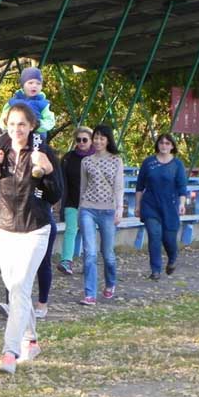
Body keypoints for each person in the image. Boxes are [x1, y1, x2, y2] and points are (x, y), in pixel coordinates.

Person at [0, 102, 62, 374]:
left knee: (20, 288)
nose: (17, 129)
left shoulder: (42, 150)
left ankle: (9, 351)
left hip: (35, 227)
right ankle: (31, 339)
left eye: (22, 124)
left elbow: (55, 195)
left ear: (31, 126)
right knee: (16, 287)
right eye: (13, 124)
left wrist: (49, 171)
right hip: (3, 227)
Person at [0, 66, 56, 318]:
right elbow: (1, 120)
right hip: (10, 216)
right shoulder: (5, 146)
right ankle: (13, 302)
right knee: (12, 266)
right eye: (30, 83)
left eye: (38, 84)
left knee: (37, 261)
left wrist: (41, 125)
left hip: (36, 212)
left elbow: (50, 121)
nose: (34, 87)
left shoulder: (43, 108)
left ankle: (40, 303)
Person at [78, 124, 124, 306]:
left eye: (101, 138)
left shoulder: (116, 160)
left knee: (108, 254)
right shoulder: (86, 161)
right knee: (89, 252)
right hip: (88, 208)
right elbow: (83, 186)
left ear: (107, 140)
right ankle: (90, 294)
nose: (97, 141)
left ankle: (110, 283)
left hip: (108, 210)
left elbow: (119, 186)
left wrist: (119, 209)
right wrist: (81, 205)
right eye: (95, 137)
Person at [135, 134, 187, 280]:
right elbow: (139, 186)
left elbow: (182, 188)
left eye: (167, 143)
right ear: (157, 145)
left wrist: (182, 204)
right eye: (161, 143)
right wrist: (138, 206)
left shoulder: (177, 165)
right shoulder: (148, 163)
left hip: (170, 206)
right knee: (154, 235)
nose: (164, 146)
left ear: (172, 146)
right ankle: (155, 270)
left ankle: (172, 259)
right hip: (150, 205)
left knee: (169, 239)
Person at [57, 126, 95, 275]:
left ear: (91, 140)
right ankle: (66, 261)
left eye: (85, 140)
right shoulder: (68, 158)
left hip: (91, 203)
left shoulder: (97, 158)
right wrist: (59, 199)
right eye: (78, 140)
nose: (81, 142)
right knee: (71, 229)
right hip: (71, 200)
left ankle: (89, 262)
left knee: (88, 233)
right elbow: (61, 180)